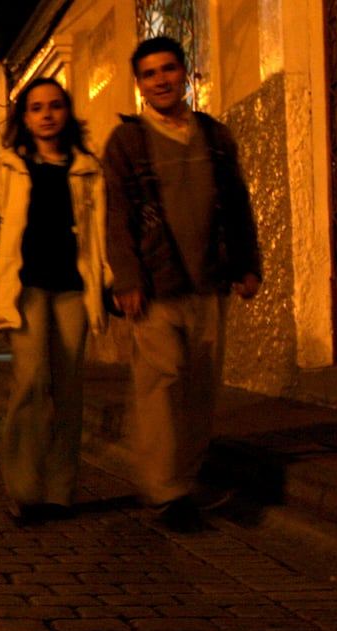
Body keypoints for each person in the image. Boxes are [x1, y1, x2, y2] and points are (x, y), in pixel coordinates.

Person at [102, 36, 262, 533]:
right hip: (156, 284)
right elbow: (117, 214)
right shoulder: (126, 143)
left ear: (185, 74)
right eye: (150, 74)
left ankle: (184, 480)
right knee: (160, 385)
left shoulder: (214, 137)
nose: (161, 80)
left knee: (199, 388)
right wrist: (126, 277)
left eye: (169, 69)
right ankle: (165, 491)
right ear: (140, 84)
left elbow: (237, 204)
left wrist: (247, 264)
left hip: (209, 281)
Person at [0, 76, 110, 526]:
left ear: (67, 113)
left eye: (55, 106)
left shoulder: (88, 169)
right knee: (30, 383)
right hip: (25, 289)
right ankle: (25, 489)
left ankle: (60, 491)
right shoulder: (6, 169)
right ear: (23, 119)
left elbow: (101, 235)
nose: (46, 115)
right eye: (36, 108)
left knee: (69, 390)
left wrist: (107, 282)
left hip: (72, 288)